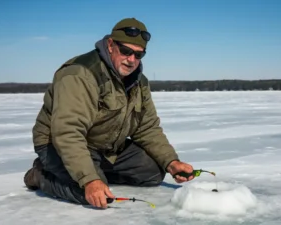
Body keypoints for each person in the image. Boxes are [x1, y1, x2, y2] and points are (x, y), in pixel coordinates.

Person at [23, 17, 195, 209]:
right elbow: (68, 132)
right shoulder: (81, 74)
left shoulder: (139, 82)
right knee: (93, 193)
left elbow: (147, 128)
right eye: (126, 51)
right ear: (111, 45)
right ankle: (41, 175)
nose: (131, 60)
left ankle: (94, 172)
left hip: (105, 147)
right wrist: (89, 180)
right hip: (56, 143)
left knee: (153, 172)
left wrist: (171, 162)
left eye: (139, 55)